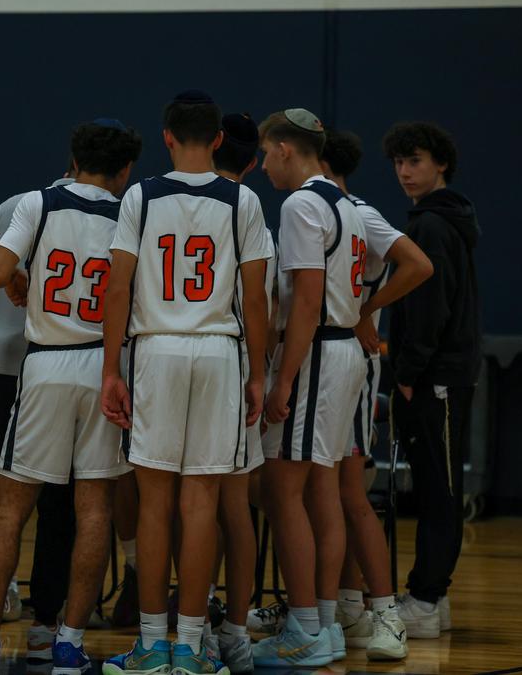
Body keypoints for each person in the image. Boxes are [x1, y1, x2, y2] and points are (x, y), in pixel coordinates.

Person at [0, 118, 141, 675]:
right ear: (125, 169)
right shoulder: (133, 213)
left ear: (72, 158)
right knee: (93, 507)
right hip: (104, 365)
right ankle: (67, 642)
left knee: (11, 505)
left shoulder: (38, 202)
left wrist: (16, 279)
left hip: (46, 363)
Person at [101, 91, 271, 675]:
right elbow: (256, 299)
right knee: (202, 504)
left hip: (157, 350)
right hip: (221, 352)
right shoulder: (243, 199)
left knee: (155, 504)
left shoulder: (141, 195)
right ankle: (192, 647)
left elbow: (117, 289)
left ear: (167, 136)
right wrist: (258, 372)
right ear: (219, 140)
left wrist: (110, 368)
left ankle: (152, 645)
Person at [0, 161, 81, 661]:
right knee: (58, 498)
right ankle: (46, 623)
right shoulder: (113, 212)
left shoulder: (14, 204)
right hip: (58, 360)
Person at [253, 108, 366, 667]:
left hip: (317, 352)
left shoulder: (300, 204)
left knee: (283, 490)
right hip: (345, 351)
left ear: (284, 149)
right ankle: (326, 623)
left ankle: (303, 626)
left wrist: (284, 378)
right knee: (323, 489)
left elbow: (305, 300)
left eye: (265, 154)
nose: (263, 166)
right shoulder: (346, 203)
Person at [318, 128, 433, 660]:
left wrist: (366, 309)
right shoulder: (322, 209)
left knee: (348, 492)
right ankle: (345, 607)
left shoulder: (357, 213)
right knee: (324, 494)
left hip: (349, 363)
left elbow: (420, 265)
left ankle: (384, 612)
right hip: (326, 362)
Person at [382, 121, 481, 639]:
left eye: (415, 161)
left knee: (439, 490)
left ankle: (424, 598)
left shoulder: (433, 227)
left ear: (441, 164)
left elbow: (429, 310)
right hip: (443, 374)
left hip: (436, 377)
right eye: (399, 163)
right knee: (435, 485)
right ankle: (432, 598)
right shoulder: (440, 220)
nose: (404, 171)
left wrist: (407, 372)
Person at [209, 111, 273, 672]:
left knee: (185, 504)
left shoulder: (160, 199)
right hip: (230, 363)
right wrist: (259, 373)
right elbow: (261, 306)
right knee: (233, 505)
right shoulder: (251, 211)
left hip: (166, 360)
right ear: (252, 162)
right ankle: (233, 630)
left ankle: (191, 626)